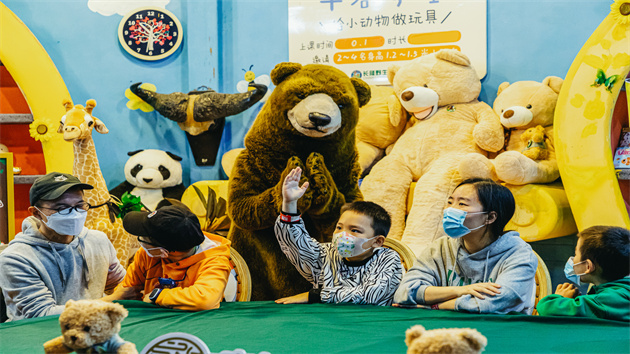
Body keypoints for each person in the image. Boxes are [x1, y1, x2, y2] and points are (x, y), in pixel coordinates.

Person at [393, 178, 538, 314]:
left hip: (501, 332)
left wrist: (433, 305)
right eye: (450, 202)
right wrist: (461, 291)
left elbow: (495, 302)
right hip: (444, 329)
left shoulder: (519, 254)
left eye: (462, 204)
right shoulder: (440, 248)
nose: (450, 210)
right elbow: (405, 292)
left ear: (490, 217)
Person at [0, 172, 127, 321]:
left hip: (93, 330)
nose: (74, 214)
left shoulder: (98, 240)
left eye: (80, 205)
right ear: (36, 213)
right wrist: (111, 301)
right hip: (37, 336)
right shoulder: (16, 258)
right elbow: (41, 315)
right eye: (61, 208)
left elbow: (120, 284)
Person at [274, 167, 402, 306]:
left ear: (377, 241)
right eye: (339, 228)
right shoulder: (328, 254)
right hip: (329, 323)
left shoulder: (388, 260)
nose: (343, 235)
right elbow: (296, 246)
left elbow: (370, 294)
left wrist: (316, 295)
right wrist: (289, 204)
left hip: (370, 323)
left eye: (355, 230)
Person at [110, 200, 232, 311]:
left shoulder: (214, 260)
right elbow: (126, 290)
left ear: (163, 252)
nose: (140, 241)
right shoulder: (146, 254)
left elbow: (205, 299)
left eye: (143, 238)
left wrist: (157, 295)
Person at [536, 226, 630, 321]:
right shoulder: (621, 292)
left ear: (588, 267)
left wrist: (560, 298)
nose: (573, 259)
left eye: (576, 253)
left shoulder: (606, 300)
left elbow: (546, 308)